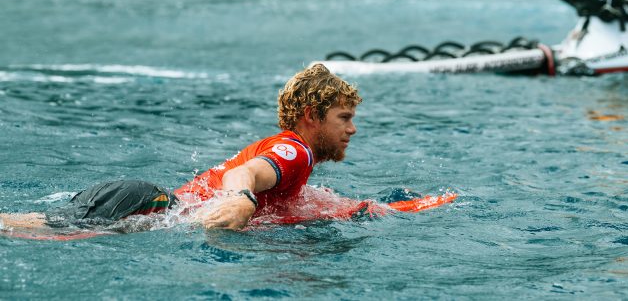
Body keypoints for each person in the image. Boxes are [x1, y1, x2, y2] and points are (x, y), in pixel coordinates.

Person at [0, 64, 361, 231]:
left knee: (29, 227)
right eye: (343, 118)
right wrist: (241, 200)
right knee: (32, 233)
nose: (352, 128)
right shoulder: (295, 152)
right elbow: (243, 174)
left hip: (145, 202)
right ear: (312, 115)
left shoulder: (289, 150)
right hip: (148, 205)